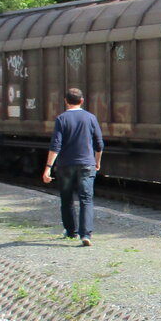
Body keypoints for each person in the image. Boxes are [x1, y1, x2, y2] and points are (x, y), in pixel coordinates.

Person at [42, 88, 104, 246]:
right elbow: (99, 144)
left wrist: (48, 167)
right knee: (86, 200)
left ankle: (71, 231)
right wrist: (97, 161)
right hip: (87, 164)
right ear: (82, 101)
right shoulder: (91, 118)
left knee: (67, 199)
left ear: (66, 101)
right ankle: (86, 235)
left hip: (65, 166)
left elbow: (55, 145)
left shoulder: (61, 119)